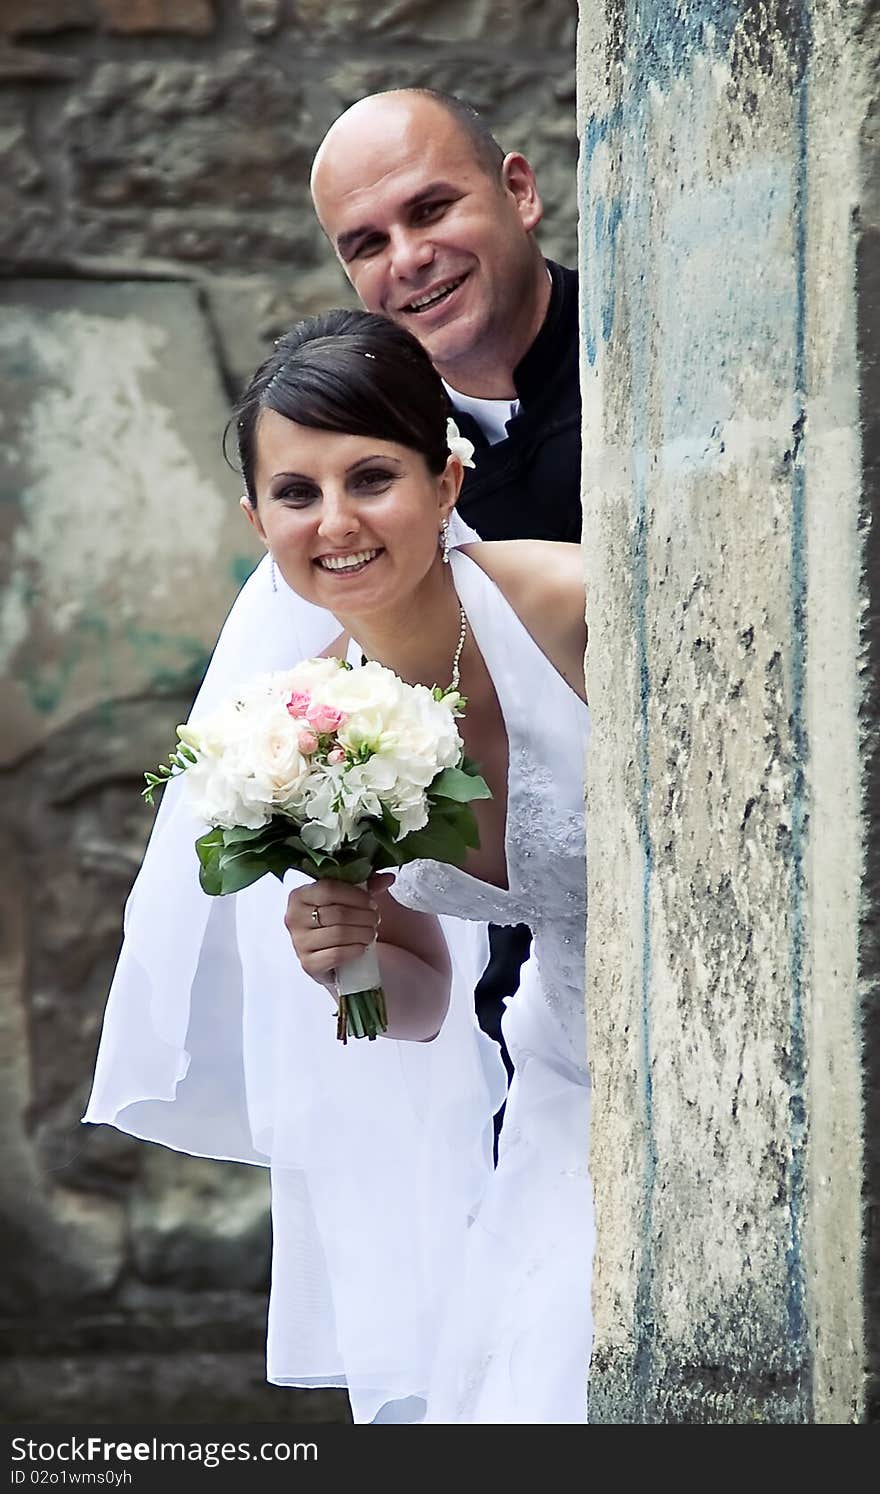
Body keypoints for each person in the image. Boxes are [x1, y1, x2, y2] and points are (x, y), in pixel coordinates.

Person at [84, 309, 593, 1424]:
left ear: (446, 478)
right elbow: (411, 1004)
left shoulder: (571, 607)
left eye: (372, 477)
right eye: (297, 494)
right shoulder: (306, 729)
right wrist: (346, 965)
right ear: (255, 517)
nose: (337, 522)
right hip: (568, 1086)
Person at [312, 87, 582, 1083]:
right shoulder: (375, 501)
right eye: (367, 242)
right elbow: (396, 1003)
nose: (409, 258)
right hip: (528, 1043)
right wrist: (347, 969)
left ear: (518, 190)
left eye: (430, 210)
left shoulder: (660, 366)